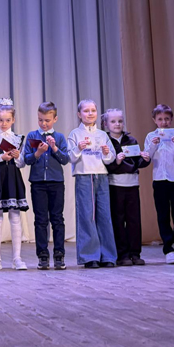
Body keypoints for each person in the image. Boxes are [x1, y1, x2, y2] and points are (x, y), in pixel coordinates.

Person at [67, 99, 117, 268]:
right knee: (87, 215)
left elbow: (110, 159)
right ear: (79, 114)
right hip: (83, 176)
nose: (90, 113)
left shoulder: (102, 135)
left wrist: (106, 152)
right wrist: (79, 148)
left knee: (104, 215)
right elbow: (70, 157)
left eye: (93, 110)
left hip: (101, 175)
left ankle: (108, 256)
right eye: (86, 111)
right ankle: (90, 256)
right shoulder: (75, 134)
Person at [0, 98, 29, 271]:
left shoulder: (18, 138)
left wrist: (17, 156)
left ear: (13, 120)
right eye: (1, 120)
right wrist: (0, 157)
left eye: (8, 120)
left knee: (15, 216)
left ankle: (17, 258)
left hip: (12, 177)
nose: (4, 123)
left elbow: (22, 163)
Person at [144, 104, 174, 264]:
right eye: (160, 119)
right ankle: (168, 249)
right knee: (163, 216)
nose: (163, 122)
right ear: (154, 120)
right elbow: (147, 157)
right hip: (159, 181)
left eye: (166, 119)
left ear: (171, 119)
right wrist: (153, 145)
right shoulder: (151, 136)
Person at [23, 102, 70, 270]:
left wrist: (54, 147)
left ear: (55, 119)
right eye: (40, 120)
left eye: (47, 120)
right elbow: (27, 159)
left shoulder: (60, 137)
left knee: (57, 218)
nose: (44, 123)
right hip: (38, 184)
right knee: (41, 219)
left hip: (56, 183)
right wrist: (38, 153)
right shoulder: (32, 136)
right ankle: (42, 255)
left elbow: (65, 159)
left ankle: (59, 254)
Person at [101, 108, 150, 266]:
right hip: (115, 185)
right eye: (113, 121)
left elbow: (137, 163)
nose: (117, 124)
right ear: (106, 124)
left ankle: (135, 253)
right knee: (118, 221)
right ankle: (122, 255)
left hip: (132, 185)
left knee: (134, 220)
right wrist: (117, 162)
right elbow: (105, 166)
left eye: (120, 121)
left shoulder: (131, 140)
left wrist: (145, 160)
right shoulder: (105, 141)